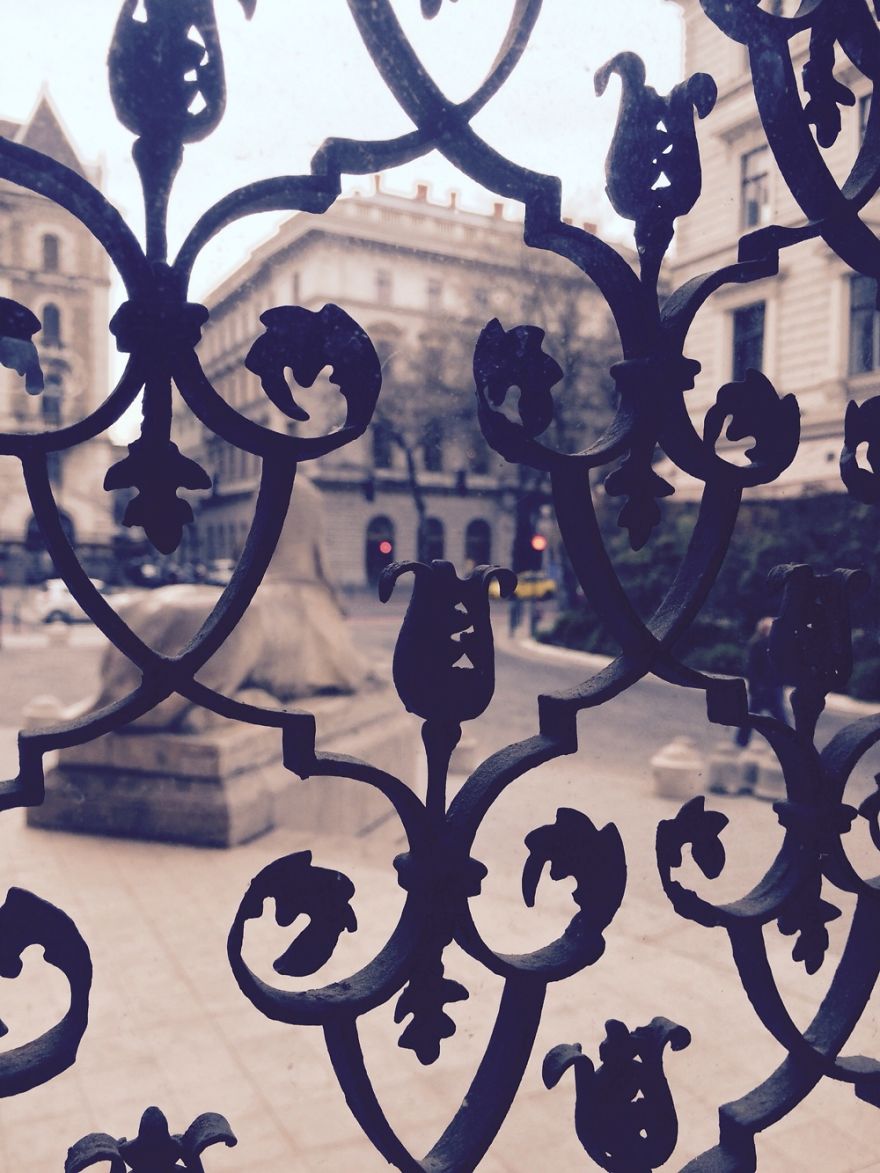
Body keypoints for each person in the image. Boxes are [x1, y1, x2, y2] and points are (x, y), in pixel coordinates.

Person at [734, 616, 788, 747]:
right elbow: (752, 668)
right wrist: (756, 686)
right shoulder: (758, 644)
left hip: (772, 688)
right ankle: (741, 740)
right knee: (754, 716)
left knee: (778, 718)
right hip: (762, 688)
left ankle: (789, 741)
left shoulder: (775, 645)